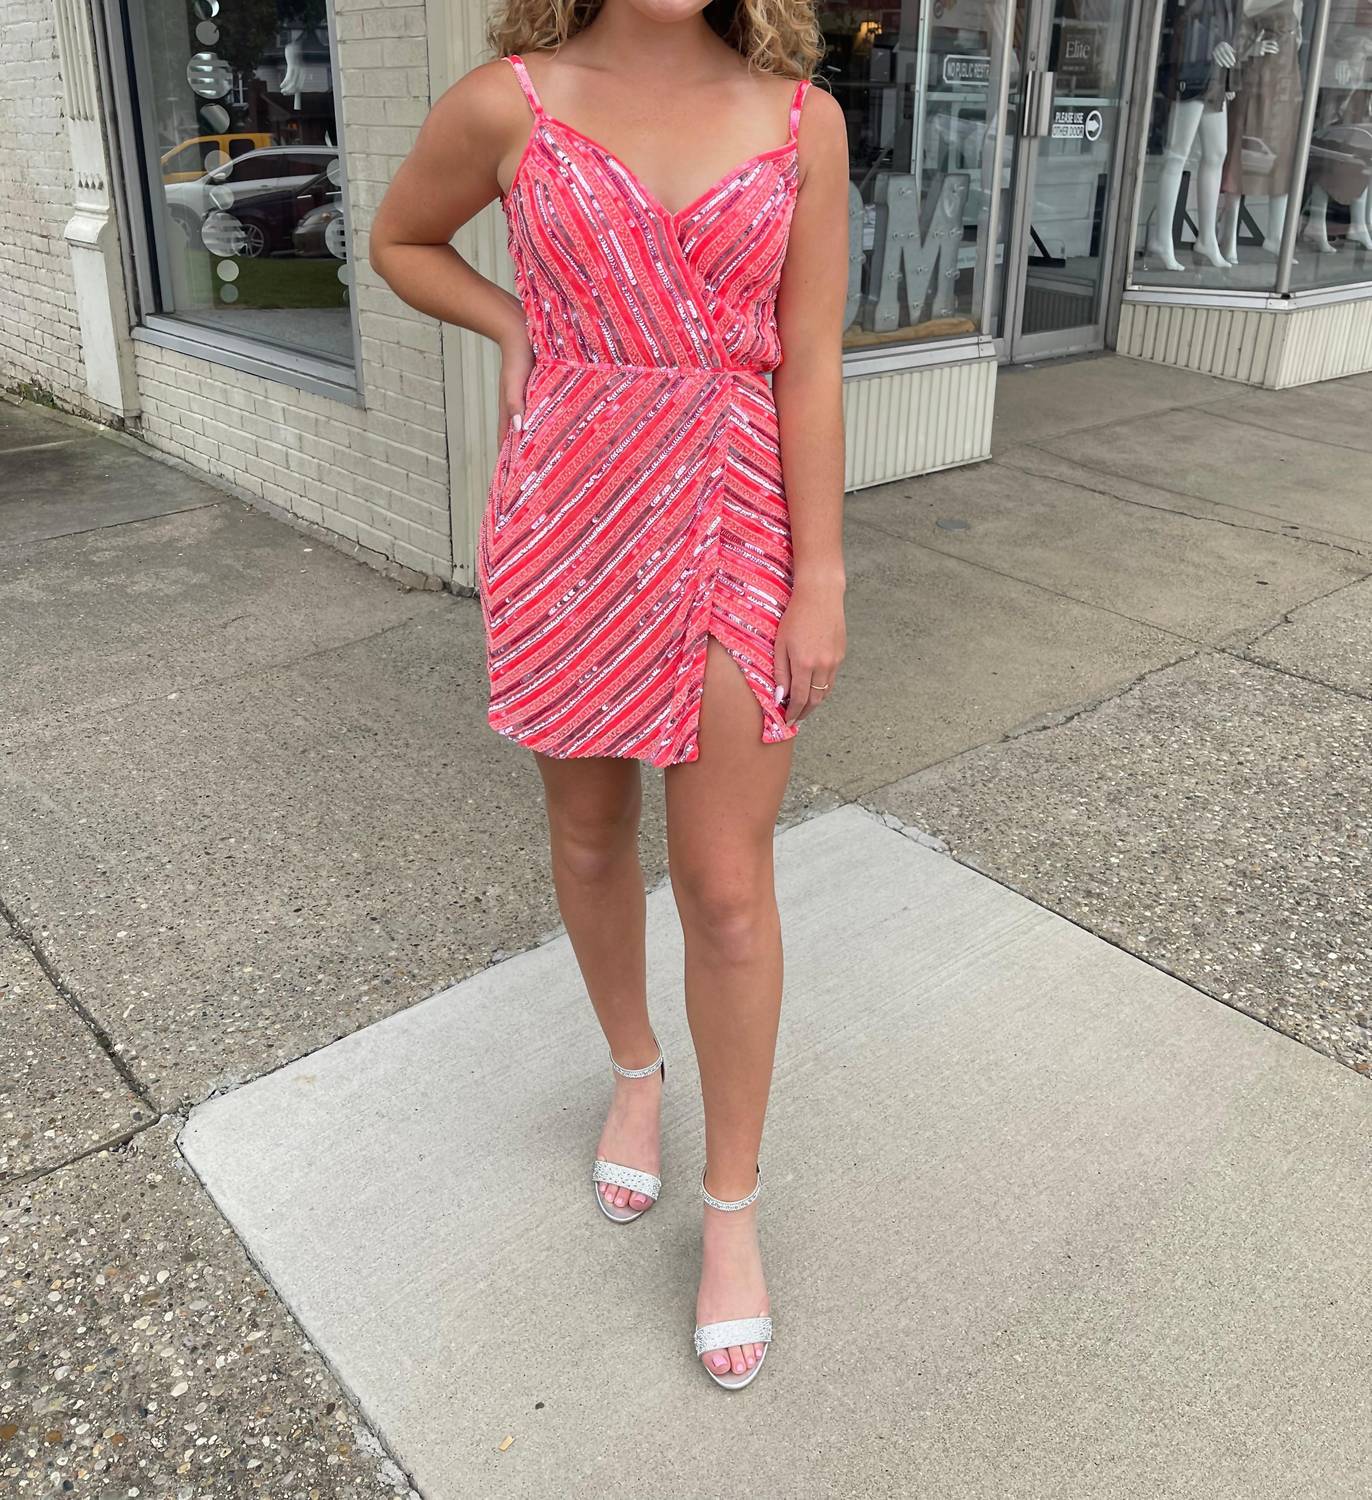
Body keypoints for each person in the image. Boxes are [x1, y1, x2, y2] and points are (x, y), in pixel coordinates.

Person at [369, 0, 849, 1391]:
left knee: (727, 887)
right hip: (570, 510)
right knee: (588, 839)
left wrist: (822, 574)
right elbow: (401, 240)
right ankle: (637, 1071)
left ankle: (733, 1209)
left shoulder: (802, 119)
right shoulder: (506, 102)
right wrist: (510, 317)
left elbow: (812, 354)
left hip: (738, 510)